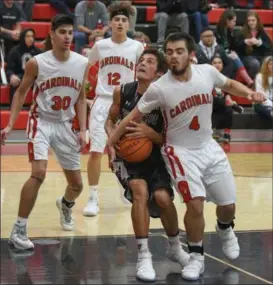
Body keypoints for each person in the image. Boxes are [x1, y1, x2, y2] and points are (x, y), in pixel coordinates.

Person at [107, 32, 266, 281]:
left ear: (190, 54)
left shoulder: (207, 73)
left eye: (179, 51)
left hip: (208, 147)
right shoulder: (159, 88)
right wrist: (110, 142)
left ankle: (225, 228)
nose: (173, 56)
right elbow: (130, 117)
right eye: (169, 52)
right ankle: (196, 256)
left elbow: (229, 85)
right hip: (178, 151)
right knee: (195, 203)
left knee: (228, 205)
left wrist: (250, 93)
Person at [1, 14, 89, 250]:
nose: (67, 37)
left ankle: (66, 204)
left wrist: (84, 129)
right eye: (62, 32)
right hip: (41, 121)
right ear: (52, 34)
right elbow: (20, 93)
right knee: (38, 173)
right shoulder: (37, 62)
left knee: (78, 186)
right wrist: (10, 125)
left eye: (70, 32)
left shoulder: (81, 63)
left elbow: (81, 98)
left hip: (67, 124)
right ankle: (19, 229)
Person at [105, 48, 190, 281]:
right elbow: (109, 122)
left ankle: (175, 248)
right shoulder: (122, 92)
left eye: (149, 61)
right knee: (140, 191)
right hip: (127, 157)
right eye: (141, 60)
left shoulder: (166, 98)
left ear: (159, 72)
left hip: (155, 155)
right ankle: (144, 255)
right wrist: (111, 146)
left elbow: (169, 139)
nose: (142, 63)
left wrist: (150, 134)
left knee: (163, 199)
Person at [83, 2, 144, 217]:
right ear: (110, 23)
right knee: (96, 151)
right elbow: (85, 69)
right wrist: (84, 93)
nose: (119, 23)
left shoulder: (137, 47)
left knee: (128, 150)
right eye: (116, 20)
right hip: (102, 102)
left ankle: (125, 186)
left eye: (123, 20)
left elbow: (145, 75)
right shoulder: (100, 46)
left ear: (128, 24)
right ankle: (92, 197)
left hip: (127, 103)